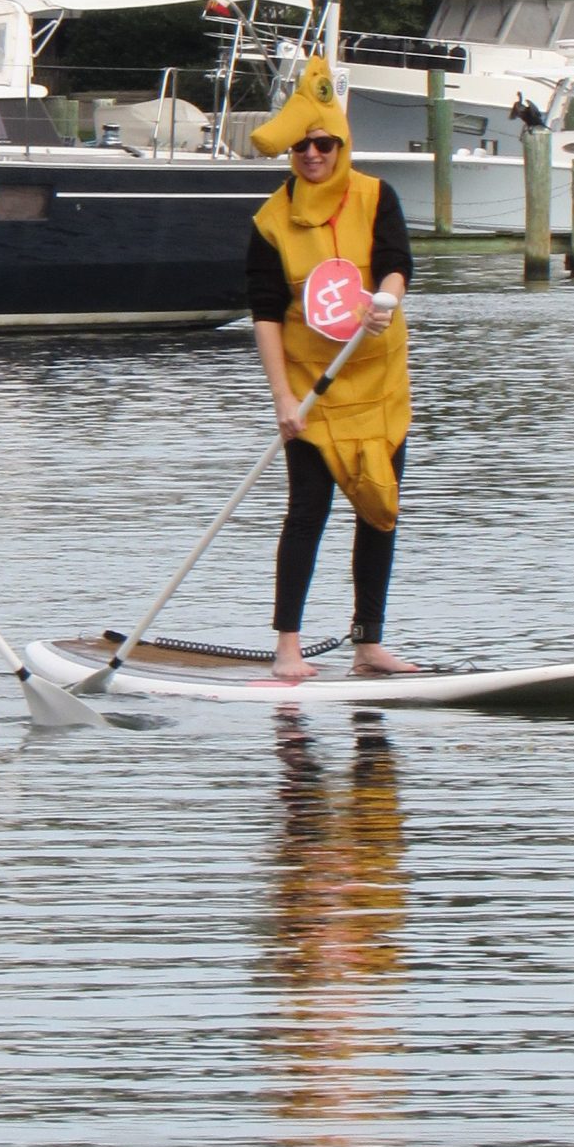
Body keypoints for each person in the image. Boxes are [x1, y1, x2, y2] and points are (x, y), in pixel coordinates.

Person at [246, 57, 416, 680]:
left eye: (322, 143)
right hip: (312, 389)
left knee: (379, 506)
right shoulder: (270, 221)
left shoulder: (377, 197)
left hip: (377, 381)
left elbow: (397, 262)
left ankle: (368, 642)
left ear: (341, 143)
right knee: (308, 509)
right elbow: (265, 314)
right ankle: (287, 646)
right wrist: (282, 400)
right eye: (301, 146)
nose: (312, 154)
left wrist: (386, 299)